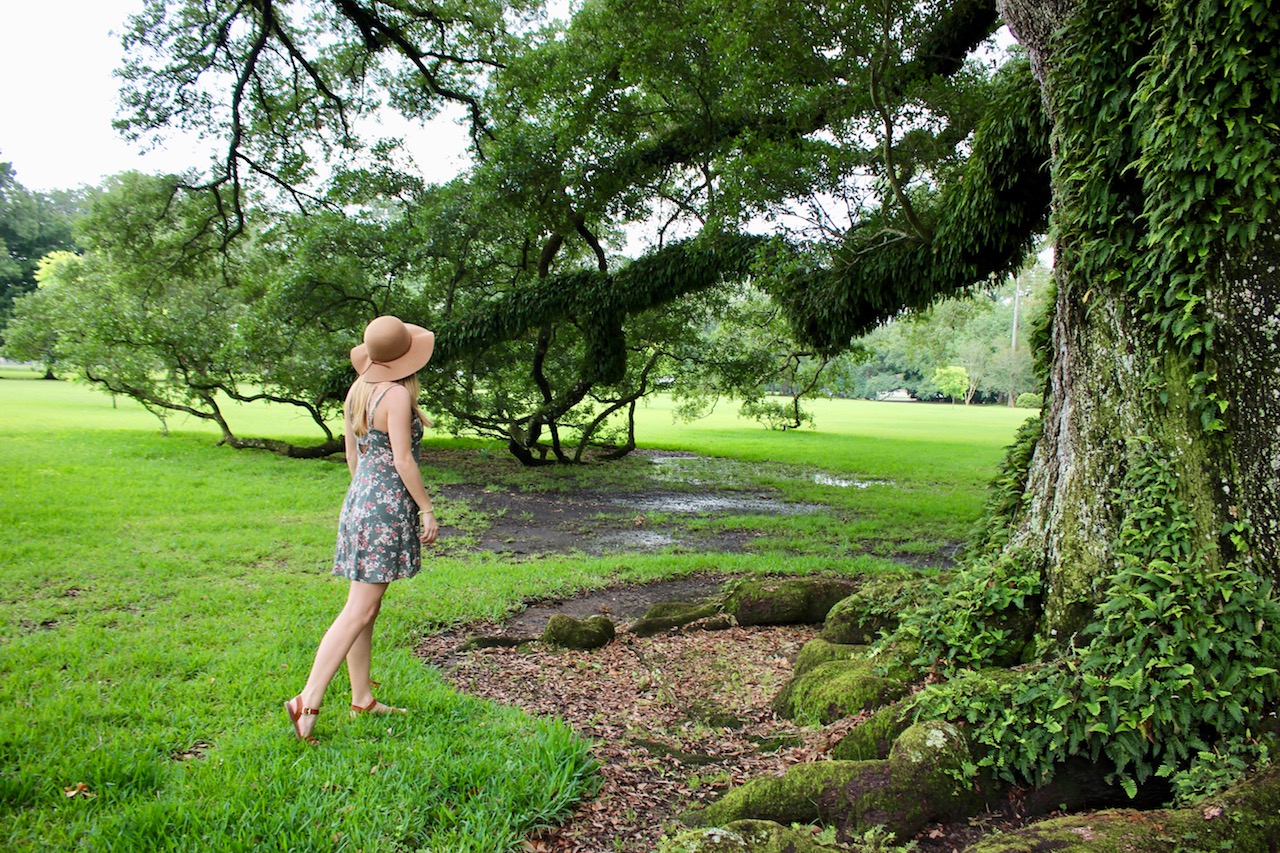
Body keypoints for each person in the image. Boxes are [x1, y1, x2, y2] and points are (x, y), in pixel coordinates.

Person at [285, 315, 440, 745]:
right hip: (385, 506)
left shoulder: (358, 390)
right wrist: (426, 509)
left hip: (359, 500)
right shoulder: (396, 396)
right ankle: (307, 700)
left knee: (364, 610)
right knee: (358, 610)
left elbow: (354, 458)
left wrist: (365, 496)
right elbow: (403, 460)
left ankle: (362, 698)